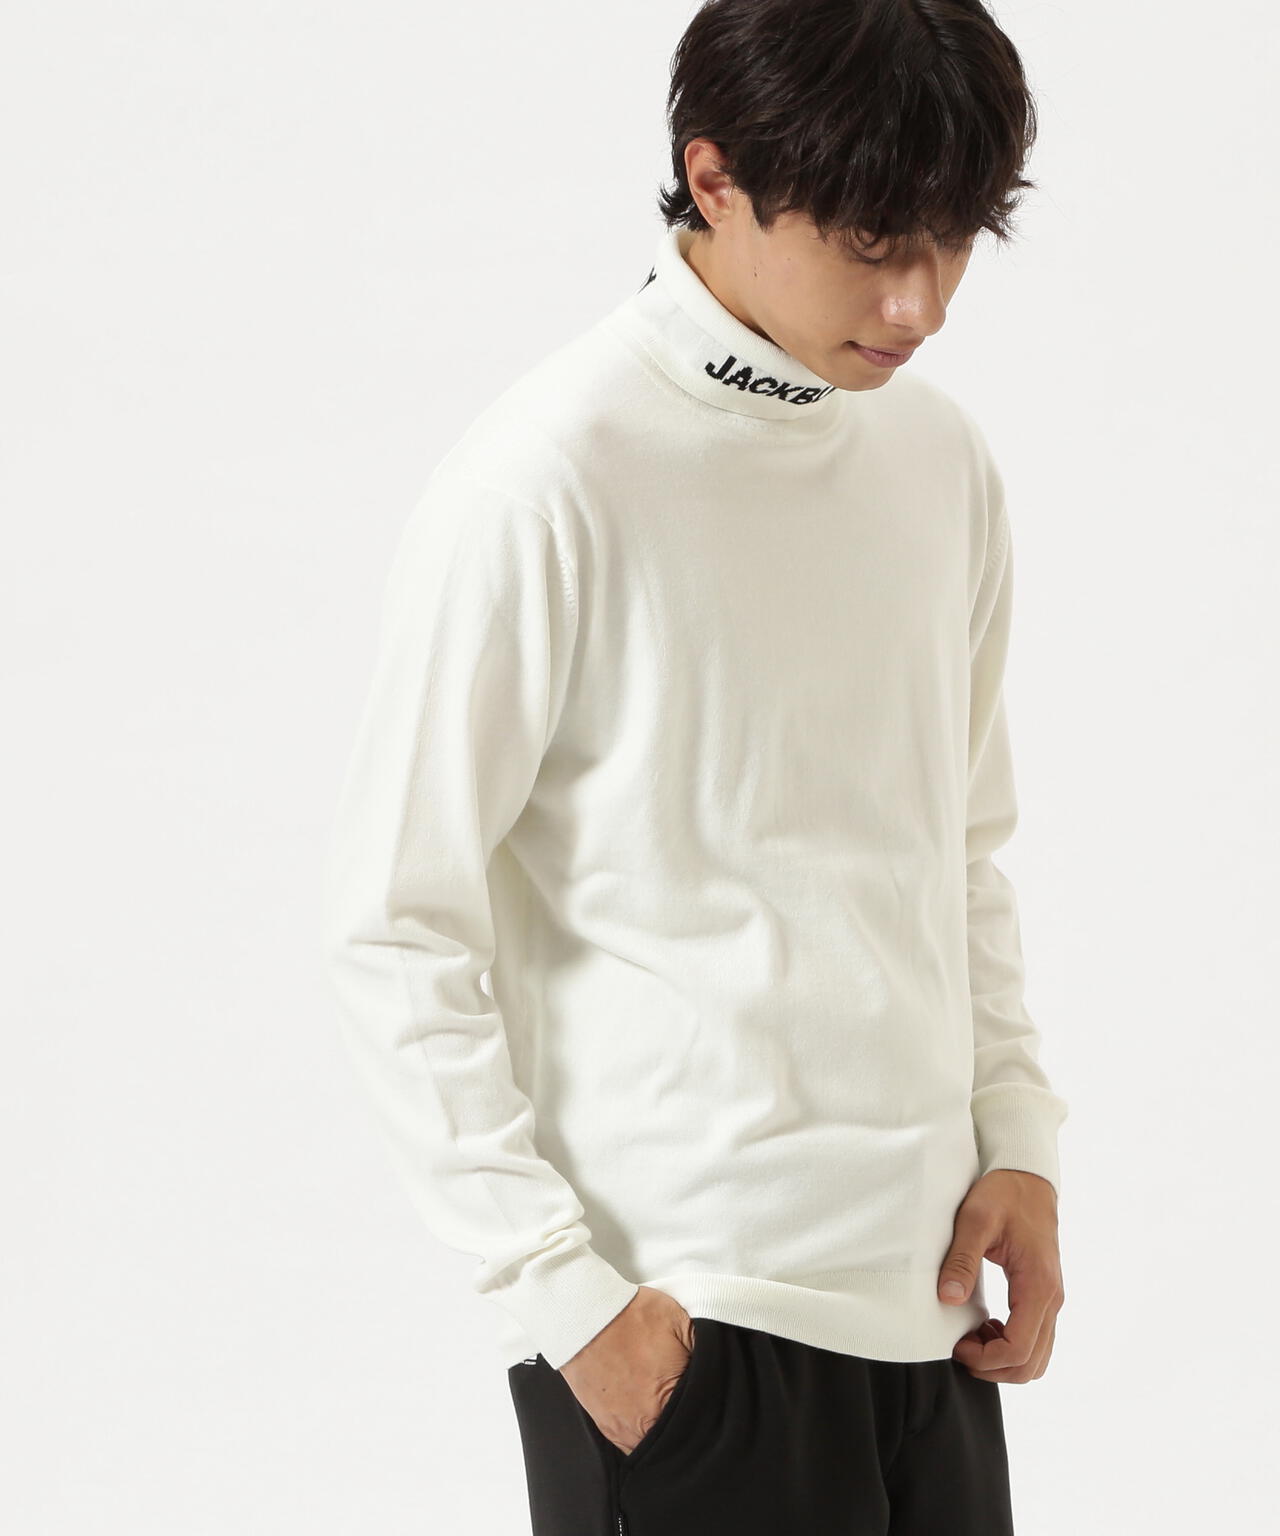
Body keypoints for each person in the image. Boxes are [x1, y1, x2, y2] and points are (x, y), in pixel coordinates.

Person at [321, 0, 1069, 1530]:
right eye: (873, 240)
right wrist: (564, 1297)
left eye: (953, 239)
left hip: (929, 1314)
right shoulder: (543, 483)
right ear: (715, 178)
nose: (921, 301)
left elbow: (957, 850)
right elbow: (397, 928)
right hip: (685, 1327)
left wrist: (1018, 1137)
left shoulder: (937, 461)